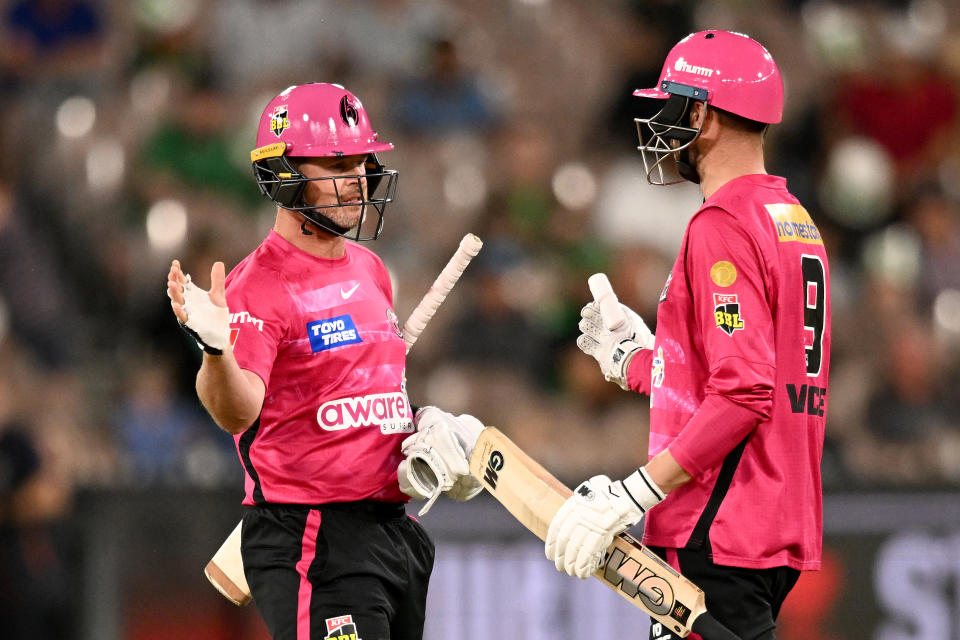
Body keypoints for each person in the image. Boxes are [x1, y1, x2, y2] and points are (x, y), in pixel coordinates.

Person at [166, 82, 482, 640]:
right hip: (314, 536)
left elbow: (365, 391)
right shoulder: (258, 286)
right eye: (336, 163)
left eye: (362, 160)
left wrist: (418, 430)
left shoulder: (370, 268)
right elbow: (238, 413)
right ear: (285, 175)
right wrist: (216, 353)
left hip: (393, 532)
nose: (358, 178)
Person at [544, 31, 831, 640]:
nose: (663, 122)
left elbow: (744, 393)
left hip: (718, 526)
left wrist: (633, 495)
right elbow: (753, 374)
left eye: (674, 105)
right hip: (773, 520)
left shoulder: (721, 224)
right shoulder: (793, 220)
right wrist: (640, 360)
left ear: (703, 115)